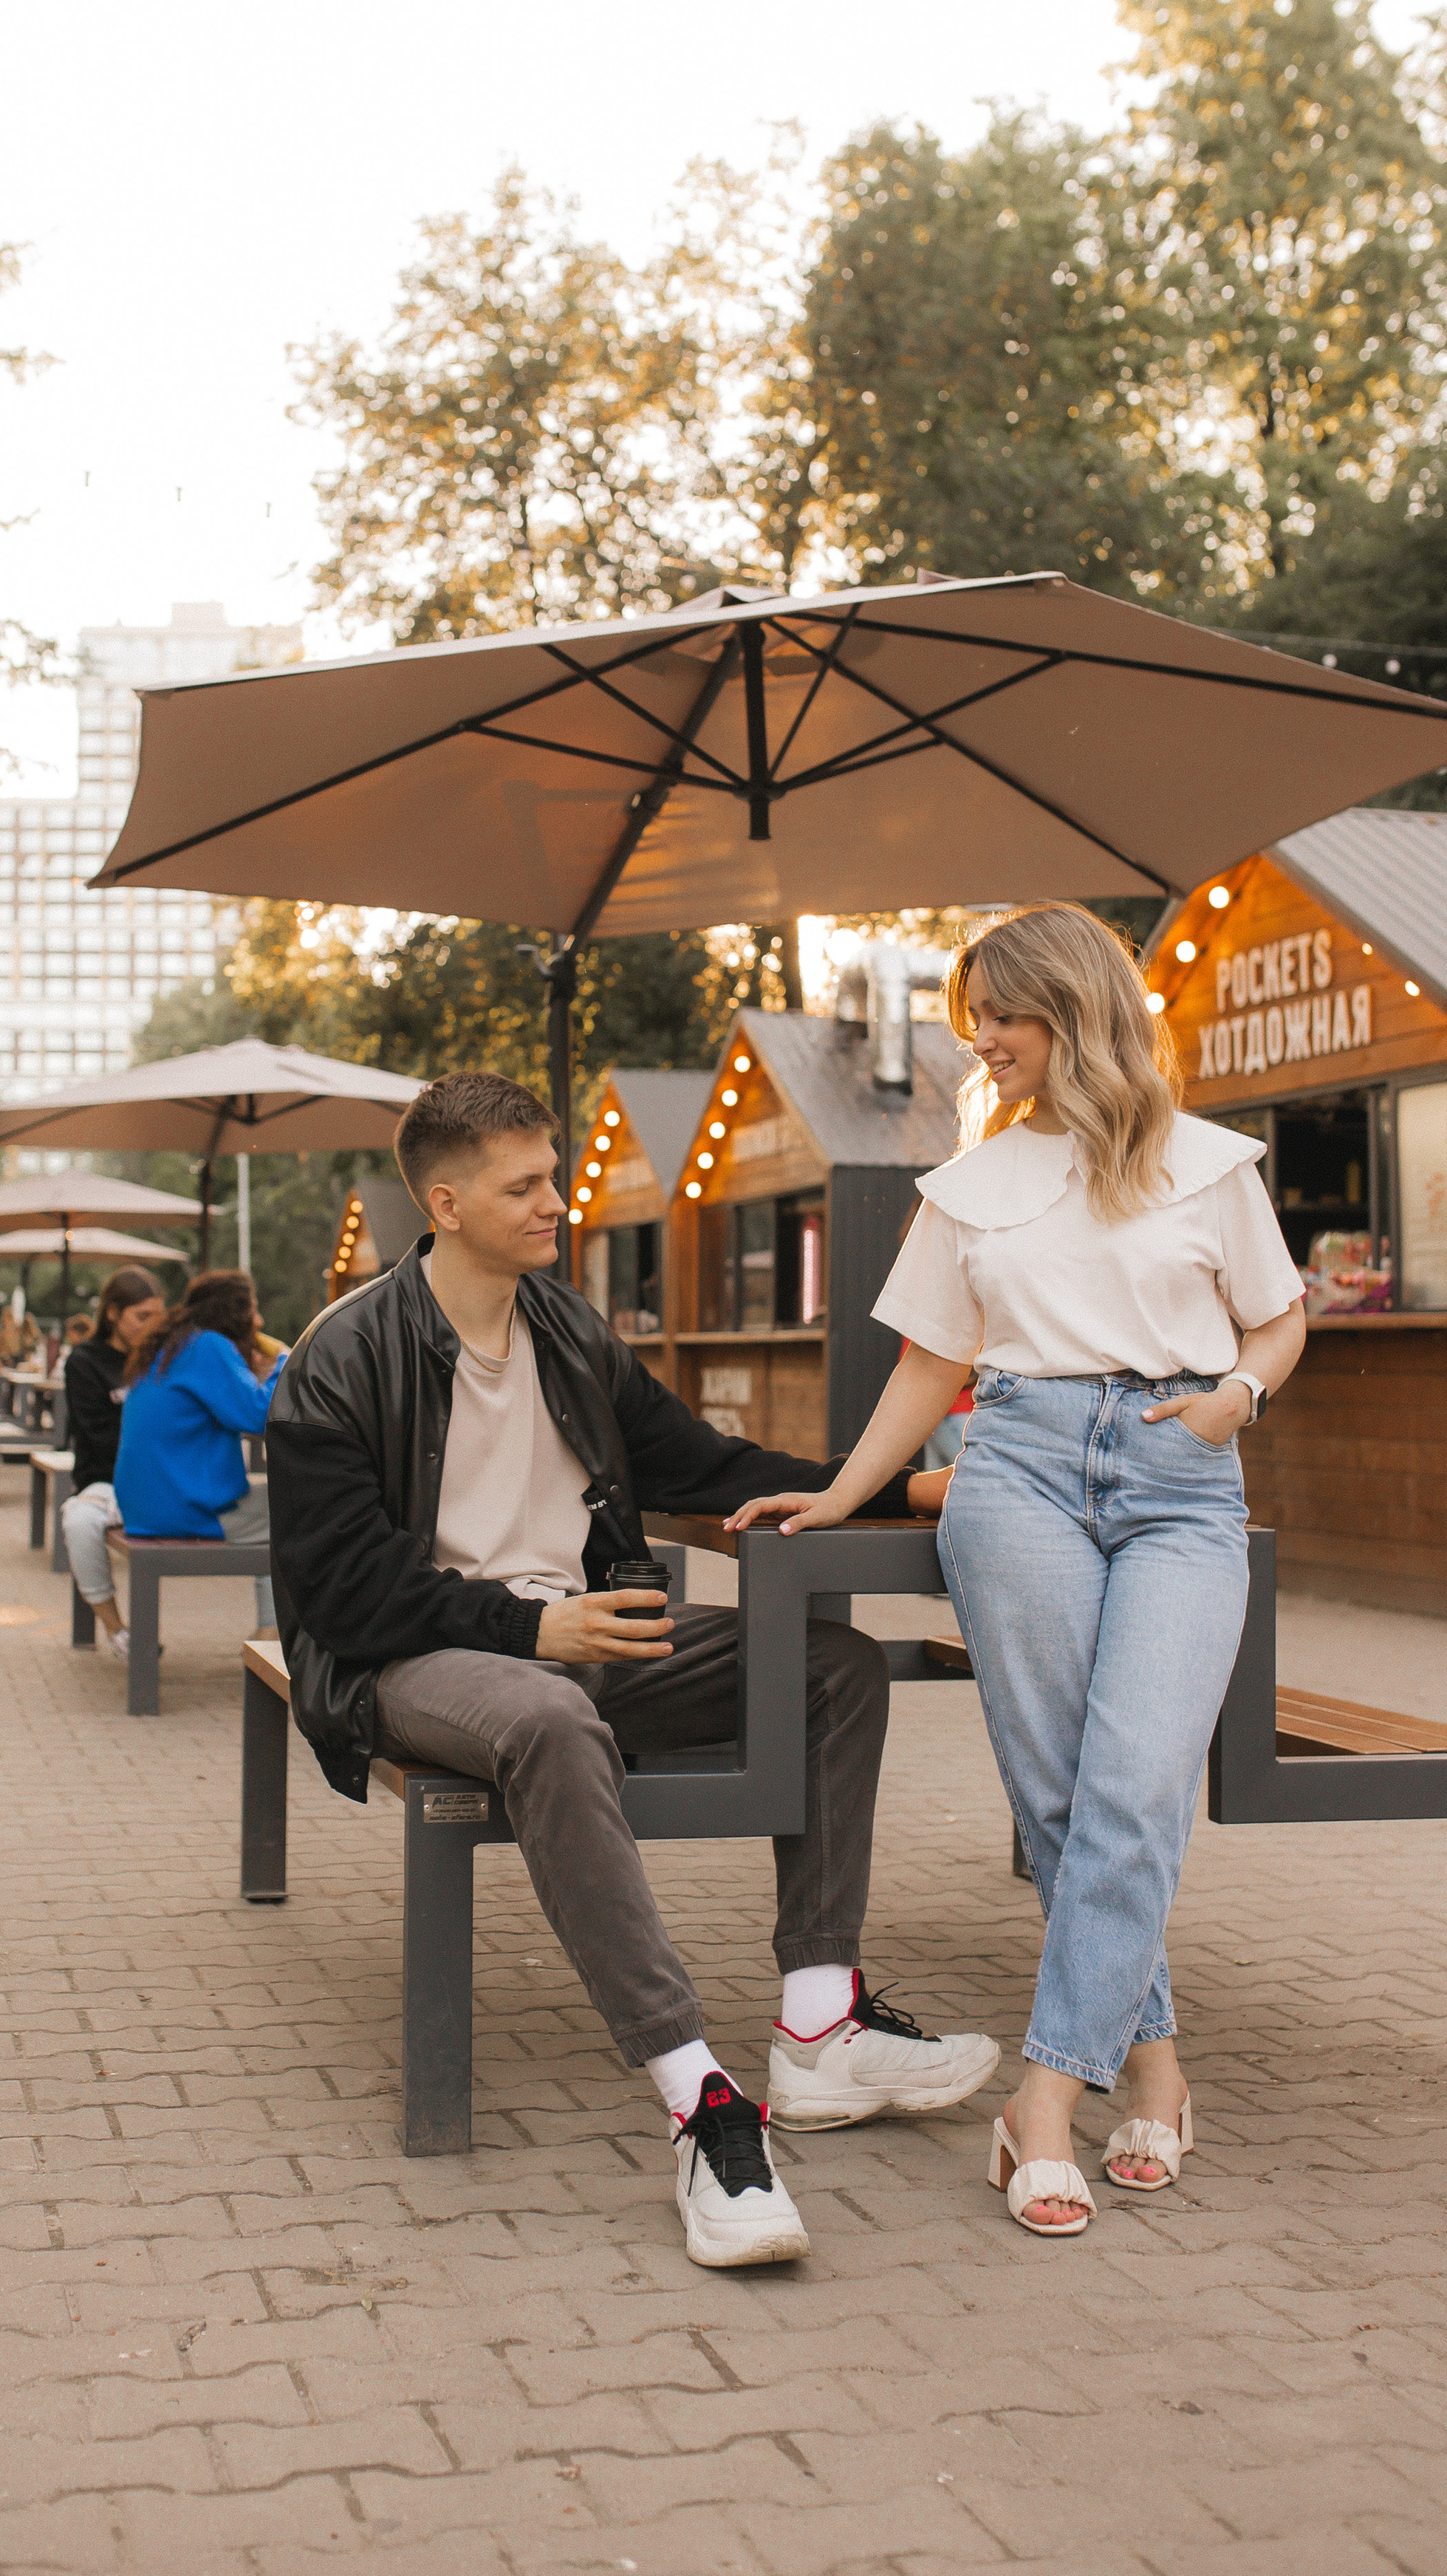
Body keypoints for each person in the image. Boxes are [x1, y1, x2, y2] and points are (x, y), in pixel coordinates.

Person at [266, 1072, 999, 2275]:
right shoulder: (341, 1359)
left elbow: (703, 1464)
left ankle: (820, 2024)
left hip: (584, 1640)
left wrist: (895, 1485)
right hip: (418, 1662)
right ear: (445, 1204)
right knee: (552, 1719)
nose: (555, 1202)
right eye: (525, 1186)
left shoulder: (564, 1332)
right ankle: (700, 2100)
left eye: (551, 1176)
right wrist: (528, 1630)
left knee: (834, 1668)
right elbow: (338, 1592)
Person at [731, 903, 1307, 2239]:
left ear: (1077, 1007)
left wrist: (1237, 1397)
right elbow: (929, 1365)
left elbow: (1279, 1322)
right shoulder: (968, 1187)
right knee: (1059, 1791)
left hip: (1181, 1479)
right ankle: (1149, 2068)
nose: (980, 1040)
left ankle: (1045, 2096)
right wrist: (842, 1492)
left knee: (1136, 1782)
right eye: (970, 1019)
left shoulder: (1210, 1165)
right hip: (1018, 1474)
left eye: (1002, 1015)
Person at [114, 1273, 284, 1639]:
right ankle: (272, 1637)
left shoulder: (171, 1346)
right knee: (304, 1508)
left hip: (144, 1507)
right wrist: (287, 1362)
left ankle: (270, 1630)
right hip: (185, 1511)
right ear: (234, 1314)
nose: (259, 1322)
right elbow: (259, 1414)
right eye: (253, 1311)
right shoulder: (208, 1346)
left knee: (281, 1508)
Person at [61, 1268, 167, 1656]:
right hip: (106, 1483)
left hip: (165, 1481)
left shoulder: (163, 1358)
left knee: (269, 1515)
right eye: (142, 1317)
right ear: (113, 1314)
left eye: (158, 1317)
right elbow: (99, 1438)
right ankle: (118, 1631)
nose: (152, 1327)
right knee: (79, 1522)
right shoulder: (85, 1362)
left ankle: (267, 1638)